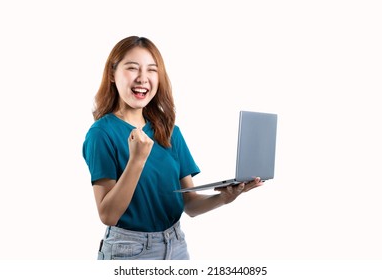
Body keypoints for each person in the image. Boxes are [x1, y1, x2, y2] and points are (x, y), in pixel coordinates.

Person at [82, 36, 264, 260]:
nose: (143, 78)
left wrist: (225, 198)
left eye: (152, 70)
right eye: (132, 68)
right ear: (112, 74)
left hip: (176, 245)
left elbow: (191, 205)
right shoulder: (101, 133)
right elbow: (108, 214)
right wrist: (137, 159)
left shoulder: (168, 131)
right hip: (128, 251)